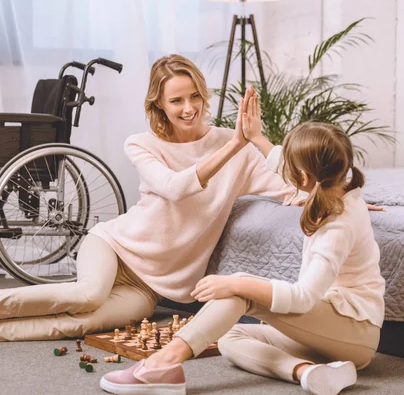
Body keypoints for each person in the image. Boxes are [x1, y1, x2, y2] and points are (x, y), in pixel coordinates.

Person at [0, 55, 304, 348]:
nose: (189, 108)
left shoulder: (234, 149)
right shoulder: (143, 144)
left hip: (152, 287)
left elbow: (290, 189)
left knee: (78, 324)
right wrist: (236, 144)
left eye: (194, 96)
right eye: (177, 100)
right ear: (158, 103)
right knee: (88, 294)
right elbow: (177, 187)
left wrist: (342, 201)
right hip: (115, 247)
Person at [99, 96, 385, 395]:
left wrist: (237, 282)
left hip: (354, 332)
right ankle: (309, 373)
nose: (282, 167)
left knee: (240, 293)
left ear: (303, 176)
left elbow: (302, 298)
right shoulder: (338, 182)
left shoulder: (337, 224)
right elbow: (287, 164)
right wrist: (257, 137)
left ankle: (163, 364)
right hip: (332, 333)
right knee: (230, 338)